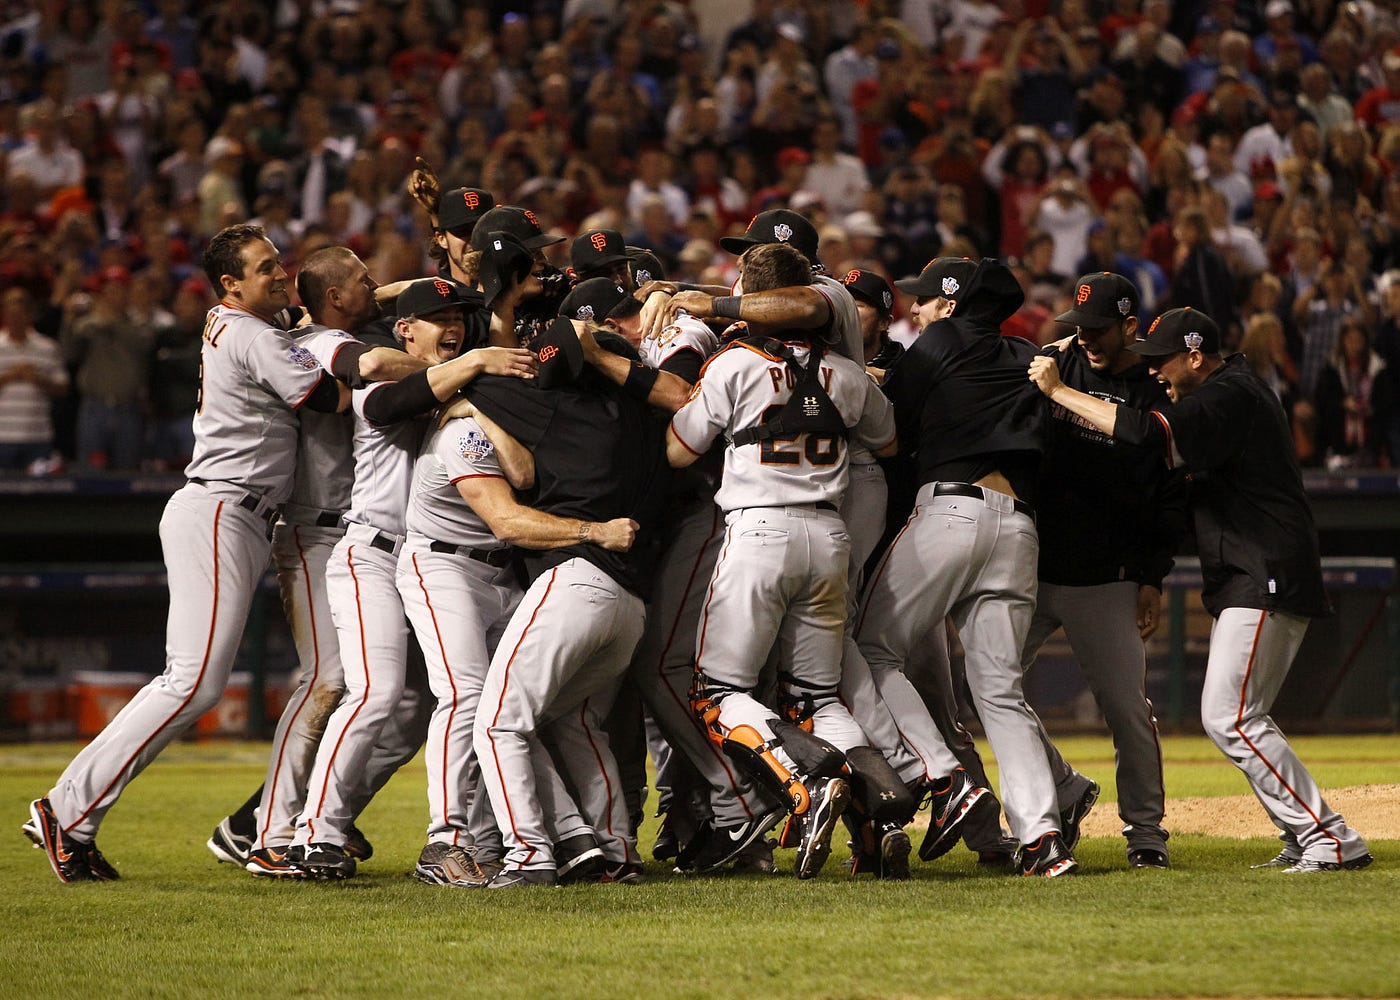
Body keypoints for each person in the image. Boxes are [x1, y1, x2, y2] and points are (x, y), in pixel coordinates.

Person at [28, 224, 350, 883]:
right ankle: (65, 808)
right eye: (265, 269)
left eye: (279, 263)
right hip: (221, 508)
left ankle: (81, 817)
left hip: (243, 515)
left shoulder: (248, 323)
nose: (280, 274)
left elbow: (302, 319)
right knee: (195, 680)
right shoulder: (248, 330)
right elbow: (328, 396)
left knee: (206, 679)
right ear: (232, 285)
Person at [1028, 307, 1373, 874]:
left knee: (1230, 716)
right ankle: (1302, 835)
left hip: (1264, 570)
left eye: (1162, 361)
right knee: (1242, 713)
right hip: (1257, 569)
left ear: (1194, 356)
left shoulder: (1224, 396)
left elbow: (1143, 433)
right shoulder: (1233, 391)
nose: (1155, 373)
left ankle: (1329, 838)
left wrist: (1060, 389)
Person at [669, 242, 906, 880]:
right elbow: (887, 441)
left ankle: (803, 781)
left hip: (757, 533)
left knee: (718, 692)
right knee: (818, 697)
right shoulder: (850, 375)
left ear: (752, 296)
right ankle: (880, 814)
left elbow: (679, 450)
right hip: (829, 537)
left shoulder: (732, 363)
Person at [287, 277, 535, 883]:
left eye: (459, 317)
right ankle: (311, 833)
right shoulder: (386, 382)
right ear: (405, 329)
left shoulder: (469, 384)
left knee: (445, 703)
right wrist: (474, 362)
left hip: (442, 564)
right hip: (374, 552)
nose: (453, 327)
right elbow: (388, 399)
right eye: (436, 318)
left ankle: (467, 835)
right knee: (376, 692)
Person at [855, 256, 1077, 877]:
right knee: (1001, 692)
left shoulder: (943, 339)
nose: (915, 310)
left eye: (926, 300)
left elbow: (883, 424)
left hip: (952, 511)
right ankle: (1042, 840)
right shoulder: (1025, 356)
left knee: (871, 649)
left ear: (951, 307)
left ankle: (947, 778)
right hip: (1019, 526)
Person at [1022, 272, 1185, 869]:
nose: (1087, 339)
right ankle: (1064, 787)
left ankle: (1145, 833)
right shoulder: (1059, 361)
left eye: (1098, 330)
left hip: (1108, 574)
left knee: (1126, 710)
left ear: (1129, 327)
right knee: (992, 688)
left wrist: (1151, 576)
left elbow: (1168, 493)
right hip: (1038, 567)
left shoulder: (1151, 387)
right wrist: (1055, 352)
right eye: (1079, 329)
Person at [0, 287, 67, 471]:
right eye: (11, 312)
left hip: (38, 437)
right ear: (4, 314)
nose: (15, 318)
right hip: (2, 437)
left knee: (40, 496)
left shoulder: (48, 347)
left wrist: (38, 380)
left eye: (20, 313)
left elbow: (63, 388)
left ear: (30, 314)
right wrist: (10, 376)